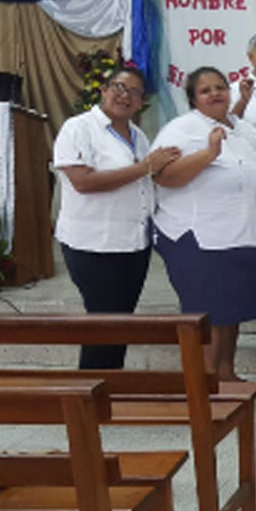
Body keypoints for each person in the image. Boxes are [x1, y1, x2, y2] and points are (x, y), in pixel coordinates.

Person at [152, 67, 256, 381]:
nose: (215, 94)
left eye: (220, 87)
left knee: (230, 311)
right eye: (206, 90)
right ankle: (204, 384)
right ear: (193, 99)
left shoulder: (243, 128)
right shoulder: (180, 129)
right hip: (199, 237)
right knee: (207, 314)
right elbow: (165, 177)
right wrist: (209, 154)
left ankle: (226, 373)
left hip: (244, 235)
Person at [53, 66, 181, 369]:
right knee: (103, 323)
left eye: (134, 93)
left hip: (133, 244)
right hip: (93, 245)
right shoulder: (78, 128)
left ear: (141, 103)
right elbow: (83, 182)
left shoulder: (137, 136)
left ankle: (112, 385)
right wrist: (144, 168)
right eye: (119, 88)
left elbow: (147, 181)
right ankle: (91, 395)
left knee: (121, 322)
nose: (125, 96)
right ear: (104, 90)